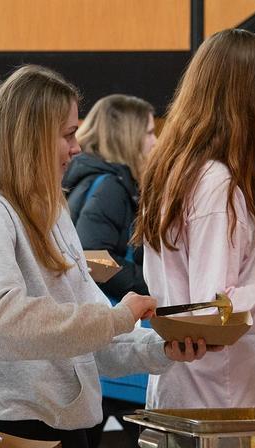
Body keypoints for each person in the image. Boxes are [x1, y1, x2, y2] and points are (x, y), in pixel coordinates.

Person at [0, 65, 216, 448]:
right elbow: (1, 325)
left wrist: (161, 347)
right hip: (14, 424)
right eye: (68, 134)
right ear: (31, 137)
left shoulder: (52, 210)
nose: (78, 147)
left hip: (65, 423)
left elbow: (88, 337)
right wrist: (117, 317)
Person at [134, 28, 255, 410]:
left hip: (187, 385)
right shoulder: (215, 181)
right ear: (245, 100)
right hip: (215, 393)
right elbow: (216, 308)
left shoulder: (178, 168)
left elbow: (192, 274)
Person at [62, 94, 156, 446]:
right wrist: (145, 287)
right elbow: (91, 256)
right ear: (127, 136)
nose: (156, 141)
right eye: (148, 132)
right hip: (111, 339)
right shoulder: (111, 187)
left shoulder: (101, 181)